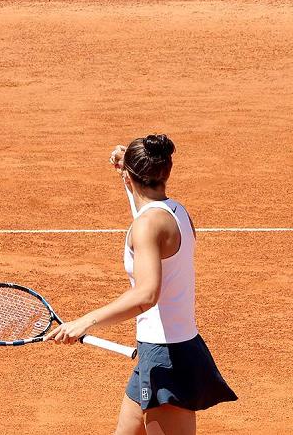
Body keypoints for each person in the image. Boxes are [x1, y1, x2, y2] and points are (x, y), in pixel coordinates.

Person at [45, 134, 236, 435]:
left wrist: (84, 322)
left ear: (131, 176)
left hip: (168, 358)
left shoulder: (147, 225)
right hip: (163, 348)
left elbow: (146, 294)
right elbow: (145, 216)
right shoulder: (176, 212)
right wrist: (128, 174)